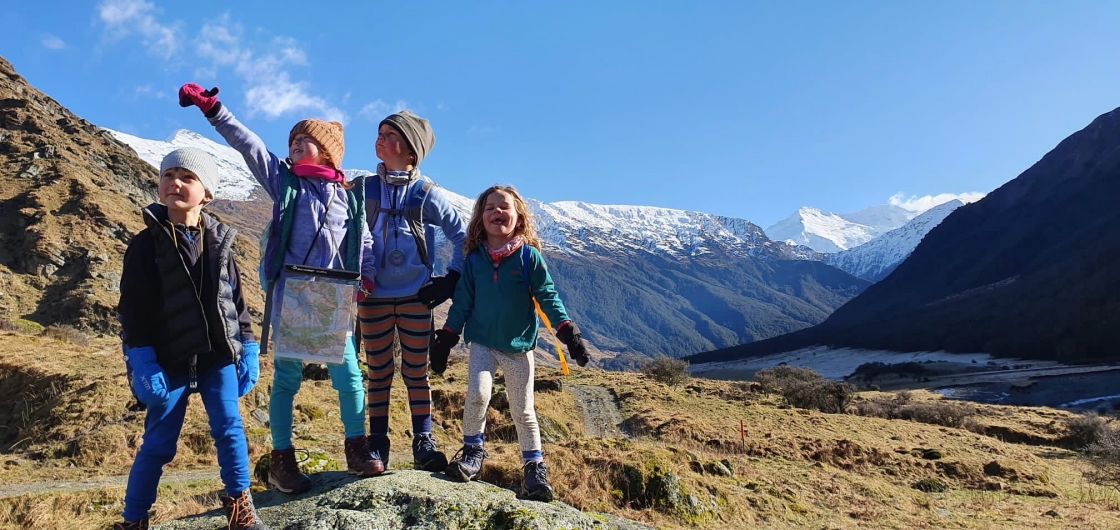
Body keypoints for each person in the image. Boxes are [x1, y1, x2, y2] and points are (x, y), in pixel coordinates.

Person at [179, 83, 382, 494]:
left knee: (350, 376)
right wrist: (214, 109)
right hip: (293, 293)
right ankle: (282, 460)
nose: (294, 144)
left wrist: (369, 273)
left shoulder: (349, 197)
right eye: (292, 139)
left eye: (304, 139)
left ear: (327, 151)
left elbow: (364, 242)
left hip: (333, 296)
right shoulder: (284, 182)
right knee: (287, 380)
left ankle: (357, 448)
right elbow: (249, 145)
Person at [116, 147, 267, 529]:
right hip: (167, 361)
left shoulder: (221, 242)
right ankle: (134, 520)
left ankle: (240, 507)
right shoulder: (144, 245)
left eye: (187, 177)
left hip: (218, 357)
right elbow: (133, 310)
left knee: (230, 428)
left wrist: (247, 347)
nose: (175, 183)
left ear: (208, 194)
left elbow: (238, 302)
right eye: (168, 175)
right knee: (158, 445)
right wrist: (143, 361)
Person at [429, 185, 589, 502]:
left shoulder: (530, 258)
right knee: (477, 394)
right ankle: (473, 452)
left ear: (518, 218)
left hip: (519, 348)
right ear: (480, 218)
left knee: (523, 411)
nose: (496, 212)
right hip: (483, 344)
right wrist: (446, 338)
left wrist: (568, 333)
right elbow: (462, 302)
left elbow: (548, 297)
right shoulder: (474, 261)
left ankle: (534, 471)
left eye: (504, 207)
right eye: (489, 208)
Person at [359, 110, 467, 470]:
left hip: (416, 297)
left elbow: (464, 237)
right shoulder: (364, 188)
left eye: (391, 135)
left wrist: (451, 278)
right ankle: (377, 442)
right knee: (378, 370)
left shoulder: (426, 195)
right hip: (371, 296)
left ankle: (423, 440)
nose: (381, 138)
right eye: (380, 132)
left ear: (410, 151)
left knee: (416, 370)